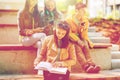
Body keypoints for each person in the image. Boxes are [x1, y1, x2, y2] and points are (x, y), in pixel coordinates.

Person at [66, 2, 101, 73]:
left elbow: (84, 36)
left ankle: (91, 64)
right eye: (82, 10)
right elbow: (68, 33)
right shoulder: (68, 20)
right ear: (76, 11)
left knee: (85, 45)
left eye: (84, 10)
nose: (84, 12)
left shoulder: (85, 20)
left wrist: (83, 29)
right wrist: (78, 40)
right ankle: (85, 66)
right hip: (71, 39)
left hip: (81, 38)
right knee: (78, 48)